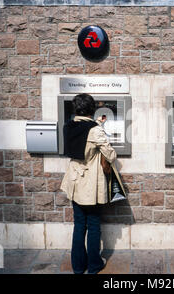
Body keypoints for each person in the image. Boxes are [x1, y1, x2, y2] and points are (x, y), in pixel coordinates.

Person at [60, 93, 116, 274]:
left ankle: (78, 266)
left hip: (75, 182)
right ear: (92, 110)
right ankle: (94, 265)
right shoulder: (95, 130)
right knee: (92, 225)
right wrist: (99, 126)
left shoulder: (68, 126)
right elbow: (111, 155)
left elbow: (80, 139)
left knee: (79, 225)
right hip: (90, 185)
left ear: (75, 109)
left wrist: (96, 124)